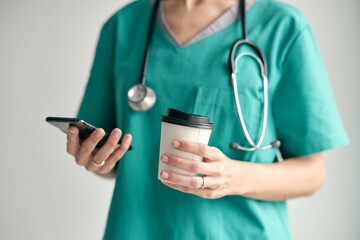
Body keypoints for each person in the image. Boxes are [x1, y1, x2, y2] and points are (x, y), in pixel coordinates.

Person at [66, 0, 349, 239]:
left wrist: (234, 178)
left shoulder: (283, 27)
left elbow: (313, 173)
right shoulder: (122, 26)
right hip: (136, 229)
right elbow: (109, 159)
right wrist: (96, 160)